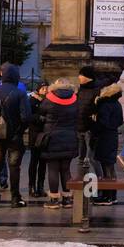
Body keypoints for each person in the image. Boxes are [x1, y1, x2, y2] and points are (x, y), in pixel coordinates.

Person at [0, 63, 31, 208]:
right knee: (14, 167)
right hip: (15, 136)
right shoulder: (20, 93)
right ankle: (15, 198)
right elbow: (26, 117)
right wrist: (20, 130)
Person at [40, 79, 79, 208]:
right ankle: (67, 199)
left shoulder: (49, 99)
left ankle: (54, 199)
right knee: (66, 169)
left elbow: (41, 111)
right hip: (69, 137)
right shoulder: (74, 99)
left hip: (52, 138)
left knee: (53, 169)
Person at [87, 82, 124, 204]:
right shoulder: (117, 104)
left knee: (106, 167)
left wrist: (93, 125)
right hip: (112, 136)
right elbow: (120, 121)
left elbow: (102, 123)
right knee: (110, 166)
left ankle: (107, 196)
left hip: (104, 137)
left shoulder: (105, 105)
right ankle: (112, 195)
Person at [27, 82, 49, 199]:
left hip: (44, 135)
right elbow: (28, 116)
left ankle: (40, 186)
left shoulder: (47, 101)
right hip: (35, 135)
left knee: (43, 162)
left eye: (46, 88)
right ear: (38, 89)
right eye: (43, 88)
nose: (45, 90)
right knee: (34, 161)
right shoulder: (32, 100)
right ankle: (32, 186)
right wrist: (39, 118)